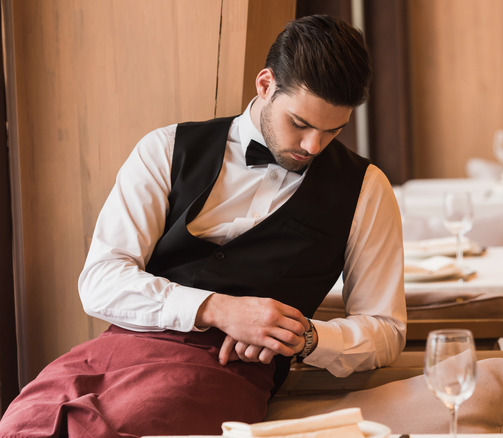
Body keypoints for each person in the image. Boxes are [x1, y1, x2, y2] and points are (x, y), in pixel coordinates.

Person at [0, 14, 406, 437]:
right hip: (115, 350)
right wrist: (219, 308)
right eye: (300, 124)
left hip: (223, 371)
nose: (313, 146)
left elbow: (386, 329)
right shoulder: (165, 148)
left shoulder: (365, 189)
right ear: (265, 85)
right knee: (22, 420)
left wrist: (303, 338)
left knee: (132, 426)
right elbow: (100, 280)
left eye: (332, 131)